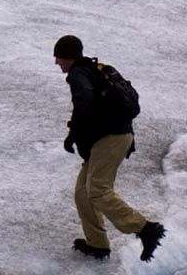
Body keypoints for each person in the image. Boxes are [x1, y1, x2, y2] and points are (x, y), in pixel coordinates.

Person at [54, 34, 165, 261]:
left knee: (97, 189)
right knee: (82, 193)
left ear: (68, 56)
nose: (56, 63)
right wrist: (76, 134)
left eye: (58, 57)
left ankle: (145, 229)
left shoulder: (78, 74)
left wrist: (76, 131)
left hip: (110, 139)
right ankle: (97, 244)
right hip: (115, 137)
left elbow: (85, 102)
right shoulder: (95, 70)